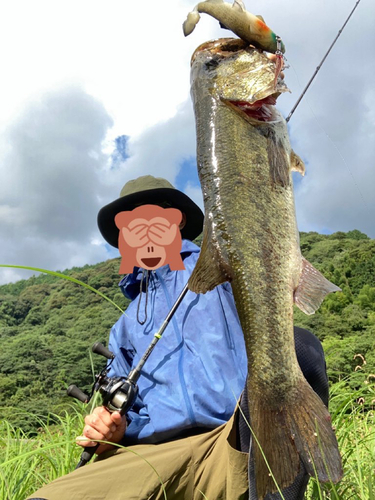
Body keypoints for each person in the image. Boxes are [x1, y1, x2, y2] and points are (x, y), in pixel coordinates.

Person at [30, 176, 330, 500]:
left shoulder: (225, 267)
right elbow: (123, 408)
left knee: (299, 346)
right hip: (153, 454)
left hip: (234, 438)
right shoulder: (123, 328)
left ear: (178, 220)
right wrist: (113, 428)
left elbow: (264, 248)